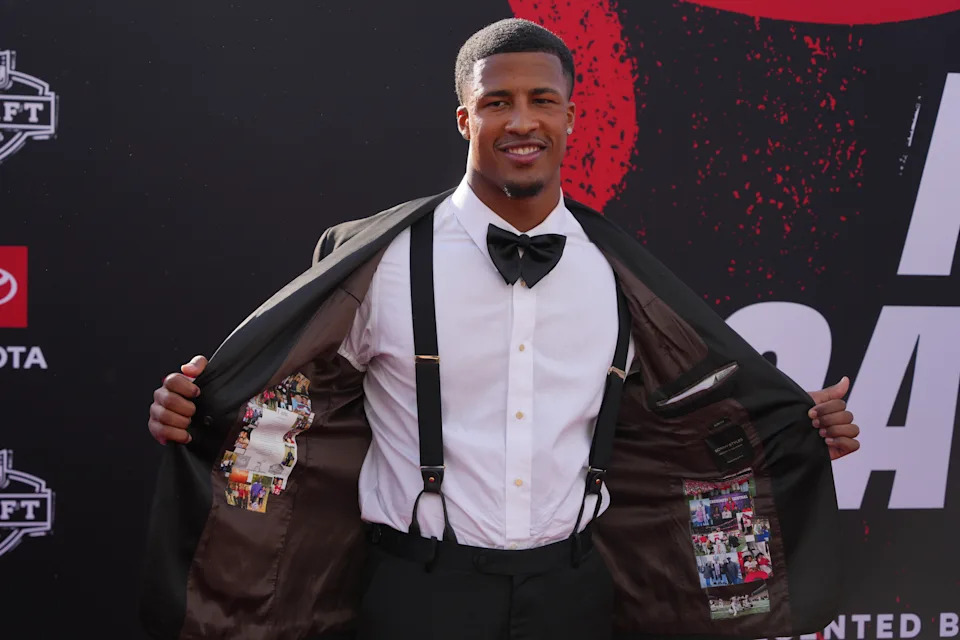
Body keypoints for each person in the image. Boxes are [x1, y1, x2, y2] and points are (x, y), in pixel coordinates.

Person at [143, 19, 861, 640]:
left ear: (572, 117)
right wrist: (198, 411)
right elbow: (290, 397)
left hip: (574, 594)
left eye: (542, 101)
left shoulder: (621, 276)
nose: (522, 122)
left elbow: (693, 424)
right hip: (416, 592)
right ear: (465, 118)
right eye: (498, 102)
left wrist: (796, 429)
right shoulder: (382, 262)